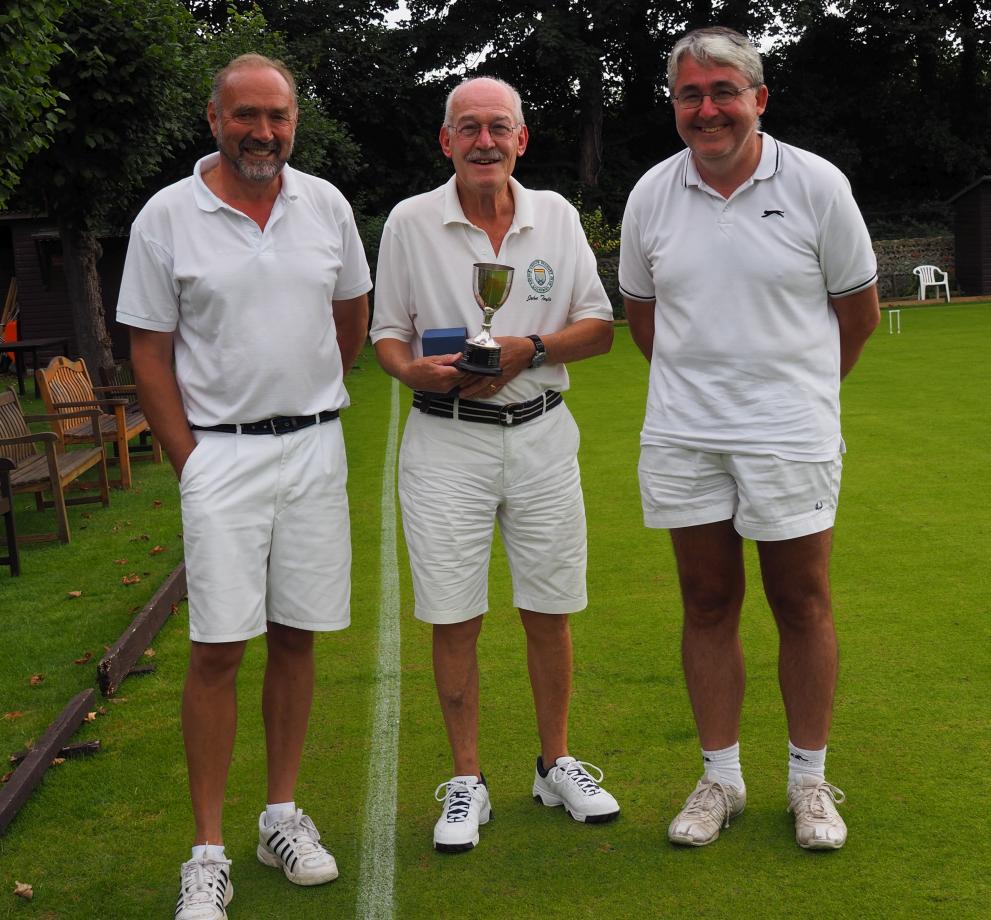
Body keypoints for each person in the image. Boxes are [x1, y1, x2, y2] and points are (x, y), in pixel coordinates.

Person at [116, 54, 371, 918]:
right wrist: (194, 457)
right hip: (217, 456)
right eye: (246, 116)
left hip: (313, 451)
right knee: (218, 650)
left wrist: (303, 410)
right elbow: (146, 350)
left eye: (278, 116)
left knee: (297, 637)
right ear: (214, 118)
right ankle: (207, 850)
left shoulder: (326, 205)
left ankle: (279, 816)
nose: (263, 132)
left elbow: (351, 321)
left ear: (295, 120)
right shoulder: (166, 217)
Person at [619, 27, 879, 851]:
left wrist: (796, 398)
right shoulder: (649, 195)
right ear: (674, 107)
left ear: (757, 98)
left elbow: (858, 315)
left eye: (723, 91)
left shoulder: (815, 184)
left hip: (788, 435)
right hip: (684, 435)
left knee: (800, 603)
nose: (707, 109)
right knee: (705, 602)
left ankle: (808, 782)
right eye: (690, 95)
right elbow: (643, 317)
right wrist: (704, 392)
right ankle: (721, 780)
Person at [370, 76, 620, 853]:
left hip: (542, 431)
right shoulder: (411, 221)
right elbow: (385, 334)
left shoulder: (556, 216)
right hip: (447, 438)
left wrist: (529, 349)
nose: (484, 141)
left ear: (522, 139)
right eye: (468, 128)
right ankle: (467, 781)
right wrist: (408, 371)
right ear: (445, 141)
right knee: (454, 613)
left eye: (498, 127)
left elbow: (599, 325)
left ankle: (555, 763)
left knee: (550, 606)